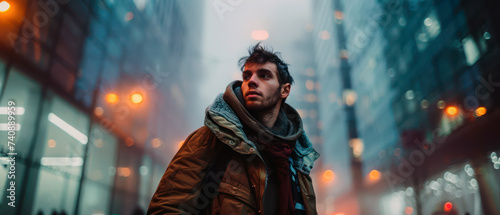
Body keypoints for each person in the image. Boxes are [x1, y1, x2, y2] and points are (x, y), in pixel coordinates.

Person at [147, 43, 320, 215]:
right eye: (247, 76)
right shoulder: (212, 138)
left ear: (285, 90)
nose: (252, 81)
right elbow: (166, 209)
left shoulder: (297, 156)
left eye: (264, 75)